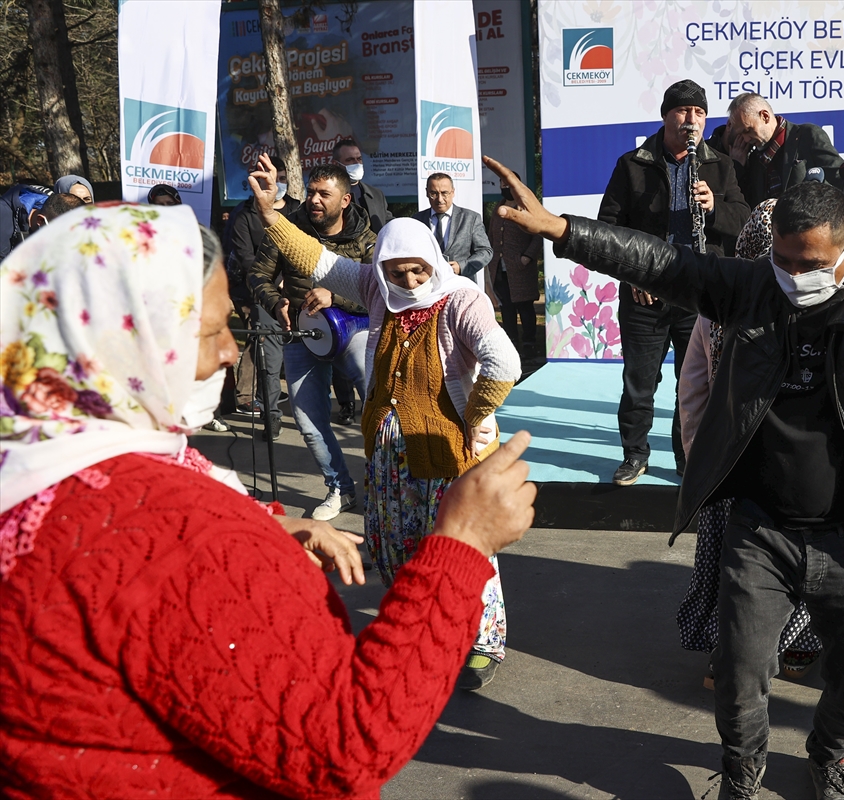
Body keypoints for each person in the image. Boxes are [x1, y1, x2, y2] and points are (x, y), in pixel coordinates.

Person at [485, 154, 844, 800]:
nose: (792, 276)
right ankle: (742, 770)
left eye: (809, 264)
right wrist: (560, 228)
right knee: (738, 667)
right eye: (782, 259)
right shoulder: (750, 288)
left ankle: (830, 758)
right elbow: (659, 263)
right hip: (760, 530)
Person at [0, 201, 538, 797]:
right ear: (120, 347)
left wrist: (265, 529)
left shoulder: (37, 470)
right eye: (210, 333)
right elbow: (344, 747)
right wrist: (460, 548)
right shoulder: (174, 534)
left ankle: (483, 642)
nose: (233, 355)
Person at [249, 154, 523, 691]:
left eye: (417, 269)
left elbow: (504, 362)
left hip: (448, 449)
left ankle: (482, 641)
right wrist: (270, 212)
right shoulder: (378, 289)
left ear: (433, 260)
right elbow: (317, 257)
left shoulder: (460, 300)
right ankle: (417, 625)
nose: (409, 279)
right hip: (391, 451)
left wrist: (478, 413)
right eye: (398, 271)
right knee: (395, 540)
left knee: (463, 544)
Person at [676, 197, 822, 689]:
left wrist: (699, 450)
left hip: (739, 461)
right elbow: (696, 381)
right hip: (775, 463)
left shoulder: (724, 302)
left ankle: (736, 651)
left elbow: (693, 386)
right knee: (788, 556)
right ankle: (790, 644)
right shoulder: (805, 305)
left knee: (735, 564)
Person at [598, 79, 750, 485]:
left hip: (699, 293)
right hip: (645, 292)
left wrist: (716, 207)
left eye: (699, 112)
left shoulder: (719, 165)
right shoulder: (633, 163)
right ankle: (635, 454)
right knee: (639, 382)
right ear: (666, 115)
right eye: (684, 111)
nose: (692, 119)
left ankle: (688, 459)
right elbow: (608, 229)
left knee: (695, 385)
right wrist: (634, 273)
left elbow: (743, 221)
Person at [249, 163, 373, 519]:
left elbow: (380, 292)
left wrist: (337, 297)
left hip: (353, 333)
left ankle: (384, 486)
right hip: (301, 335)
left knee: (378, 407)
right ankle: (340, 489)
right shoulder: (289, 228)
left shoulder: (366, 237)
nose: (314, 201)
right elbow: (257, 276)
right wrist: (277, 302)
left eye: (324, 195)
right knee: (307, 420)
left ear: (345, 200)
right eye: (312, 193)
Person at [229, 157, 301, 433]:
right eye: (268, 176)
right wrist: (273, 286)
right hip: (266, 298)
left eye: (280, 176)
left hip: (300, 298)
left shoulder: (298, 210)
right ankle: (271, 417)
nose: (275, 181)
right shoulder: (244, 215)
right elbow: (247, 259)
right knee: (270, 363)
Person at [723, 92, 844, 209]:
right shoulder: (753, 157)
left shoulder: (806, 136)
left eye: (748, 130)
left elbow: (841, 179)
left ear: (765, 116)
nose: (746, 139)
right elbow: (746, 207)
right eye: (741, 134)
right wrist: (738, 167)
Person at [487, 171, 543, 354]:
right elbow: (492, 235)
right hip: (499, 269)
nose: (504, 187)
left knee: (525, 307)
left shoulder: (526, 207)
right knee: (506, 309)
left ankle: (529, 343)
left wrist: (527, 257)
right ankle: (510, 344)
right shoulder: (498, 208)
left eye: (507, 183)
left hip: (521, 269)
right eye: (501, 184)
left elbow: (539, 235)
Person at [412, 173, 493, 282]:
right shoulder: (417, 220)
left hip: (461, 284)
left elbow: (485, 251)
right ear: (427, 193)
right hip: (428, 286)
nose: (439, 199)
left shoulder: (470, 218)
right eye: (434, 194)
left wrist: (462, 266)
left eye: (444, 193)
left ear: (453, 192)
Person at [332, 137, 393, 234]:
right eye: (350, 160)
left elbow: (388, 224)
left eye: (359, 158)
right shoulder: (329, 195)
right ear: (336, 164)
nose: (356, 163)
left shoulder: (376, 194)